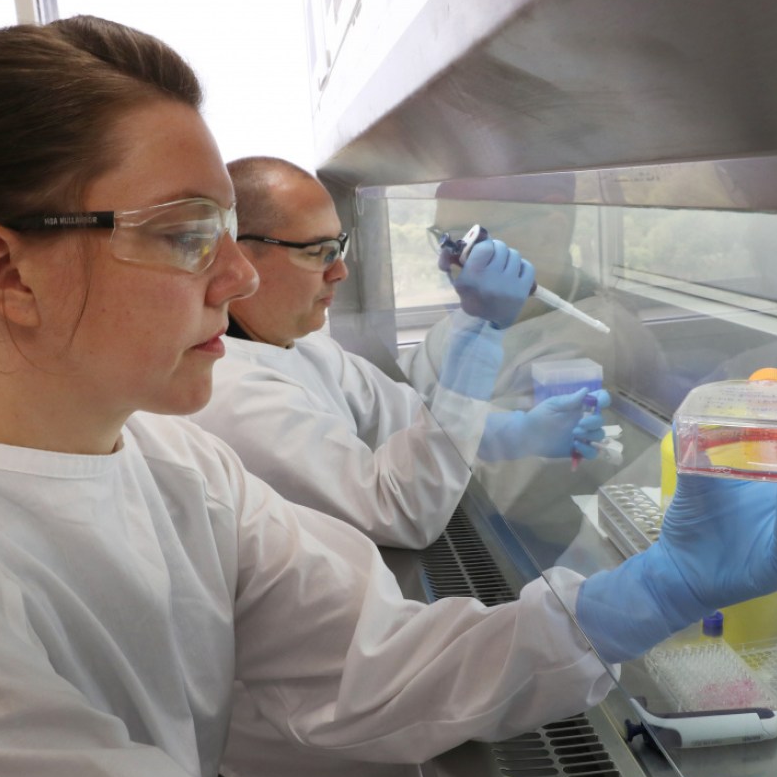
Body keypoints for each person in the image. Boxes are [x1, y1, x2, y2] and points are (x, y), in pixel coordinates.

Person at [0, 15, 777, 777]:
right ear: (3, 273)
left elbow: (378, 665)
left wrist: (659, 587)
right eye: (185, 236)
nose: (234, 279)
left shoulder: (175, 467)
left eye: (229, 236)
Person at [186, 157, 611, 550]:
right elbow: (400, 512)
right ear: (239, 258)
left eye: (339, 247)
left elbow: (403, 414)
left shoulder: (302, 345)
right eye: (318, 253)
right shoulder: (230, 394)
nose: (340, 272)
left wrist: (518, 432)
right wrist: (480, 332)